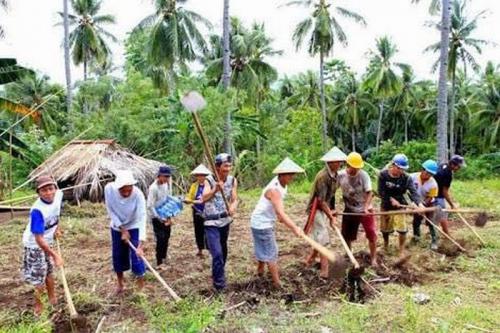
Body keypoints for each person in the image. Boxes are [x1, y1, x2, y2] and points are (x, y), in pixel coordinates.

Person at [250, 158, 305, 288]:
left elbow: (279, 211)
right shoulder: (274, 190)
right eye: (289, 174)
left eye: (293, 174)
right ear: (281, 175)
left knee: (263, 247)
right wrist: (295, 228)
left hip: (260, 221)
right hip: (262, 223)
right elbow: (281, 213)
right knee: (271, 252)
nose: (292, 177)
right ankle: (277, 284)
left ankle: (260, 271)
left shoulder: (282, 186)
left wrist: (281, 217)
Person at [22, 175, 64, 315]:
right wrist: (55, 255)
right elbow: (39, 239)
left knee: (49, 271)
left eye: (50, 188)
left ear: (55, 188)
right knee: (39, 277)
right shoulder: (37, 211)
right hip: (35, 245)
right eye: (44, 190)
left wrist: (57, 228)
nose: (48, 193)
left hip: (48, 240)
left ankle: (52, 297)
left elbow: (57, 214)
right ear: (38, 193)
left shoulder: (58, 196)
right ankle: (38, 305)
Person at [305, 147, 346, 278]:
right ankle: (324, 271)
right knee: (323, 239)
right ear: (330, 162)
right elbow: (321, 201)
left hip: (324, 207)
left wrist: (331, 211)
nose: (340, 163)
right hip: (315, 209)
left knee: (319, 237)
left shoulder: (337, 176)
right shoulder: (322, 177)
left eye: (340, 161)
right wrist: (331, 217)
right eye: (338, 161)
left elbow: (331, 196)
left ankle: (309, 260)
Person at [105, 170, 147, 294]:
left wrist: (141, 244)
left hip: (134, 225)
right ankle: (120, 282)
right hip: (117, 226)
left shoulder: (138, 195)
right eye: (123, 190)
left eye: (129, 189)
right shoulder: (109, 189)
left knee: (137, 256)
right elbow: (110, 210)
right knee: (118, 255)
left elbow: (142, 216)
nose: (126, 193)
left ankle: (140, 286)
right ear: (117, 187)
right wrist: (122, 228)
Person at [202, 153, 238, 292]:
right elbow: (204, 198)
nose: (228, 169)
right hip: (211, 222)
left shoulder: (232, 180)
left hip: (225, 221)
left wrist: (233, 207)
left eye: (229, 165)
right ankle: (219, 285)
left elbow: (234, 198)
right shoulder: (209, 180)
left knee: (223, 252)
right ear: (217, 167)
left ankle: (218, 273)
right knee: (216, 253)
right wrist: (215, 189)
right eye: (225, 166)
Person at [378, 154, 423, 258]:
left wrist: (419, 205)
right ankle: (385, 245)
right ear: (393, 165)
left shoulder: (406, 178)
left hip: (400, 206)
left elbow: (413, 192)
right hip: (386, 205)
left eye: (403, 169)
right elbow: (381, 192)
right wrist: (390, 199)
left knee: (402, 229)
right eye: (399, 168)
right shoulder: (383, 175)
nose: (401, 171)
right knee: (385, 229)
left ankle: (401, 249)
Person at [337, 152, 378, 266]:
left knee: (371, 233)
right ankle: (349, 254)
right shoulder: (340, 175)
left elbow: (370, 192)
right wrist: (332, 208)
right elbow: (332, 191)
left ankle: (373, 258)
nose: (356, 170)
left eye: (358, 168)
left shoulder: (363, 175)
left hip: (365, 209)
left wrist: (366, 208)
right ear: (347, 165)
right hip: (349, 209)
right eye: (354, 167)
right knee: (346, 234)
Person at [147, 166, 173, 269]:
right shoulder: (153, 188)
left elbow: (167, 198)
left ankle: (164, 257)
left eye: (168, 176)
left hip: (165, 213)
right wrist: (158, 217)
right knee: (160, 238)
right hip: (156, 216)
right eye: (165, 176)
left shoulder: (166, 184)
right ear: (159, 175)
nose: (167, 178)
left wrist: (169, 215)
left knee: (167, 236)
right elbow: (150, 205)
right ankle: (159, 262)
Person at [434, 155, 466, 236]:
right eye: (458, 167)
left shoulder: (442, 165)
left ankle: (433, 229)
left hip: (431, 192)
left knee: (436, 214)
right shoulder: (448, 174)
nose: (459, 169)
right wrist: (452, 205)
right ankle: (447, 234)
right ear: (452, 164)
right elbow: (445, 192)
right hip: (437, 195)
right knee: (443, 215)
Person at [411, 159, 439, 250]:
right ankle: (416, 237)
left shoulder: (433, 184)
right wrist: (416, 205)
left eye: (431, 174)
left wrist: (423, 207)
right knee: (416, 221)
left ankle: (434, 240)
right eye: (427, 173)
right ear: (422, 170)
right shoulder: (412, 177)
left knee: (431, 221)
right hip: (415, 202)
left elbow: (430, 197)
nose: (428, 176)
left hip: (429, 203)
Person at [186, 164, 211, 257]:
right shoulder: (194, 186)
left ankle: (209, 248)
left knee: (208, 229)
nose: (201, 177)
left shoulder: (209, 185)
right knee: (198, 230)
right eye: (199, 175)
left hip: (207, 210)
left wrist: (197, 201)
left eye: (203, 175)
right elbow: (190, 197)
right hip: (196, 210)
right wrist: (189, 201)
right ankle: (200, 249)